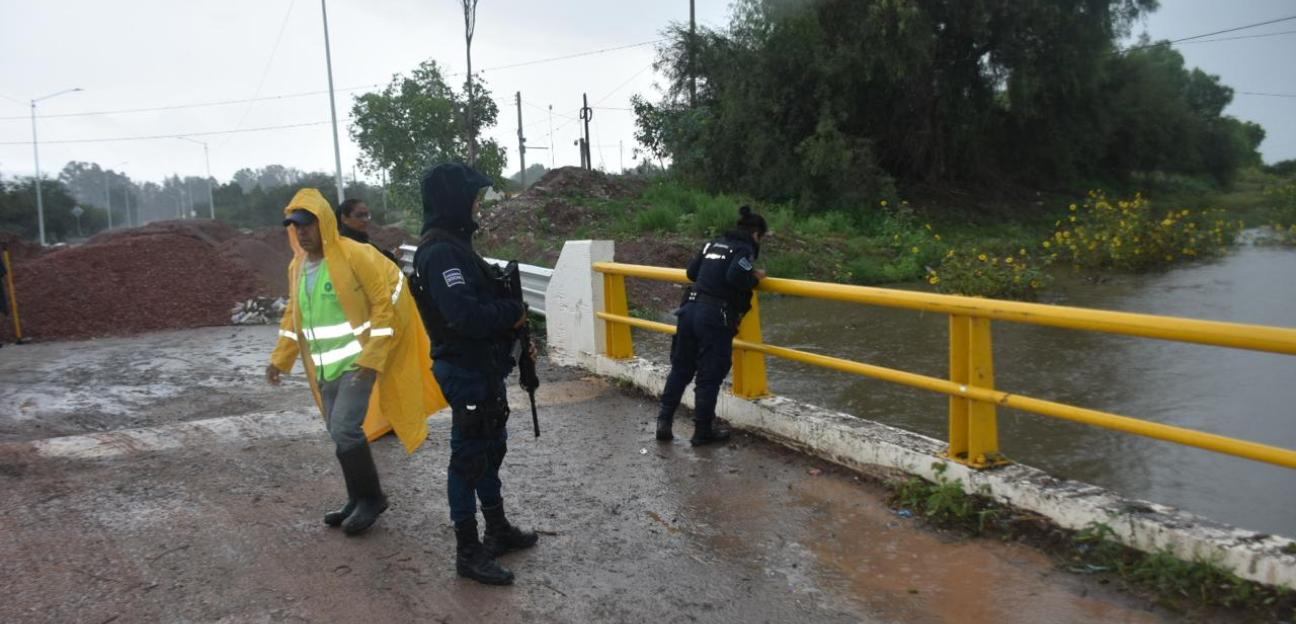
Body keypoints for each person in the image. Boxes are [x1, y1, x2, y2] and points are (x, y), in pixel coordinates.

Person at [266, 188, 443, 536]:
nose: (301, 232)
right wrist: (280, 360)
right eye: (295, 226)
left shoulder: (354, 256)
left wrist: (373, 356)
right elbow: (293, 316)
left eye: (307, 224)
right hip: (324, 368)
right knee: (338, 432)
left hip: (357, 364)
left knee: (346, 428)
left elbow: (382, 306)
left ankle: (372, 498)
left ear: (325, 223)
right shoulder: (298, 266)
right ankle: (356, 497)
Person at [411, 163, 537, 586]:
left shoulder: (454, 245)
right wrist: (513, 313)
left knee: (488, 448)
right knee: (467, 458)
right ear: (453, 200)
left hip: (480, 368)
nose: (477, 205)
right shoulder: (441, 252)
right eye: (472, 197)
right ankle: (468, 551)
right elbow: (464, 315)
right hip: (464, 370)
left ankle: (496, 528)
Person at [656, 205, 769, 446]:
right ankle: (702, 431)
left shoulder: (713, 245)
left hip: (689, 310)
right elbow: (735, 276)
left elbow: (691, 272)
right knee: (709, 375)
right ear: (757, 234)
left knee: (681, 369)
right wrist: (755, 277)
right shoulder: (744, 249)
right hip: (714, 316)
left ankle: (663, 422)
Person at [337, 198, 401, 266]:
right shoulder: (347, 246)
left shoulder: (363, 240)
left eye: (367, 215)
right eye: (359, 215)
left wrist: (391, 255)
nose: (365, 220)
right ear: (344, 218)